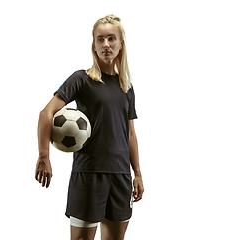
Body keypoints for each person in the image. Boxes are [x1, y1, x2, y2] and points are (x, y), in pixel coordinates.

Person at [35, 14, 144, 240]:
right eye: (100, 39)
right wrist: (43, 156)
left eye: (111, 39)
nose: (106, 45)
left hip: (121, 175)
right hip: (89, 173)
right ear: (93, 45)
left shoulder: (127, 86)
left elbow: (130, 133)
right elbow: (46, 113)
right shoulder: (81, 79)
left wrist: (138, 173)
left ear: (121, 43)